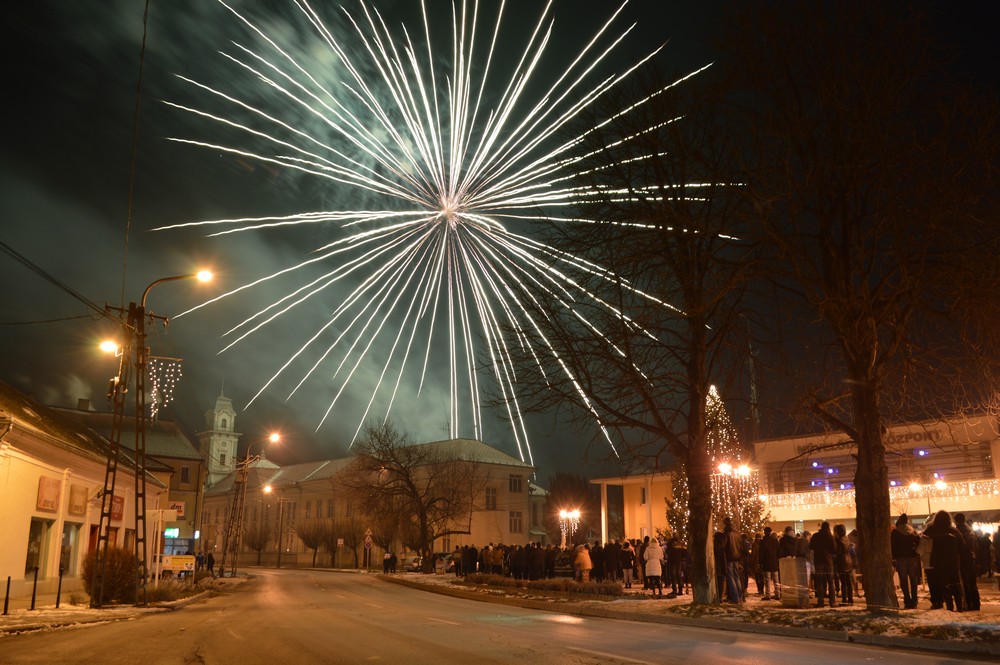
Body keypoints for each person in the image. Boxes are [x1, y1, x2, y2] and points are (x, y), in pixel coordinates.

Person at [923, 510, 966, 612]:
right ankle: (959, 605)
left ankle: (949, 605)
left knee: (944, 583)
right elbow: (962, 546)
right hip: (953, 561)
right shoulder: (954, 531)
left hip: (938, 561)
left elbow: (922, 540)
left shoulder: (931, 530)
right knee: (955, 582)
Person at [891, 514, 921, 609]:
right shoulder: (913, 531)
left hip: (900, 558)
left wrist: (893, 557)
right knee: (913, 579)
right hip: (912, 557)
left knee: (903, 580)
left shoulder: (895, 532)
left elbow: (892, 545)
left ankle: (907, 600)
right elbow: (918, 543)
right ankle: (914, 600)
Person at [953, 513, 980, 611]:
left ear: (956, 521)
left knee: (965, 581)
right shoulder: (970, 531)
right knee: (972, 581)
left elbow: (956, 547)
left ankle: (969, 603)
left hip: (962, 558)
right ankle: (976, 603)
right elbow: (976, 546)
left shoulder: (957, 531)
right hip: (971, 557)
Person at [810, 521, 837, 608]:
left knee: (820, 582)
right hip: (828, 562)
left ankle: (820, 601)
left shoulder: (816, 536)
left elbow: (811, 546)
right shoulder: (830, 537)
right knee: (830, 582)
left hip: (818, 561)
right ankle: (832, 601)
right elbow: (834, 549)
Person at [722, 517, 744, 603]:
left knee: (730, 577)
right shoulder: (737, 533)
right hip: (736, 557)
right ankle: (740, 596)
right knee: (736, 577)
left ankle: (735, 598)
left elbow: (724, 545)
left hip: (729, 557)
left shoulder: (726, 533)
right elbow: (740, 546)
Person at [833, 523, 854, 605]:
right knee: (848, 582)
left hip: (841, 561)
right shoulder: (846, 538)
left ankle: (844, 599)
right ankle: (850, 598)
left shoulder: (838, 540)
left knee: (843, 582)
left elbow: (838, 551)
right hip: (848, 561)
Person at [759, 526, 781, 601]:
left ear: (765, 532)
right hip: (774, 562)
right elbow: (779, 552)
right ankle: (777, 594)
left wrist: (760, 562)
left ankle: (768, 594)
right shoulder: (775, 541)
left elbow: (761, 553)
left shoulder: (762, 541)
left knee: (767, 579)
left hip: (766, 562)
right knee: (776, 579)